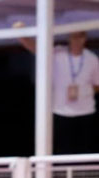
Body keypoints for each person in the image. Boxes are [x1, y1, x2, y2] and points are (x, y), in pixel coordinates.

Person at [18, 27, 99, 155]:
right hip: (60, 111)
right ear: (69, 38)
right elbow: (35, 48)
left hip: (86, 112)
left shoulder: (92, 58)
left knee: (85, 151)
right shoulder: (58, 53)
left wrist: (84, 93)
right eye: (74, 36)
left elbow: (97, 84)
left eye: (80, 37)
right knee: (62, 151)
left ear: (85, 39)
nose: (77, 40)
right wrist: (21, 34)